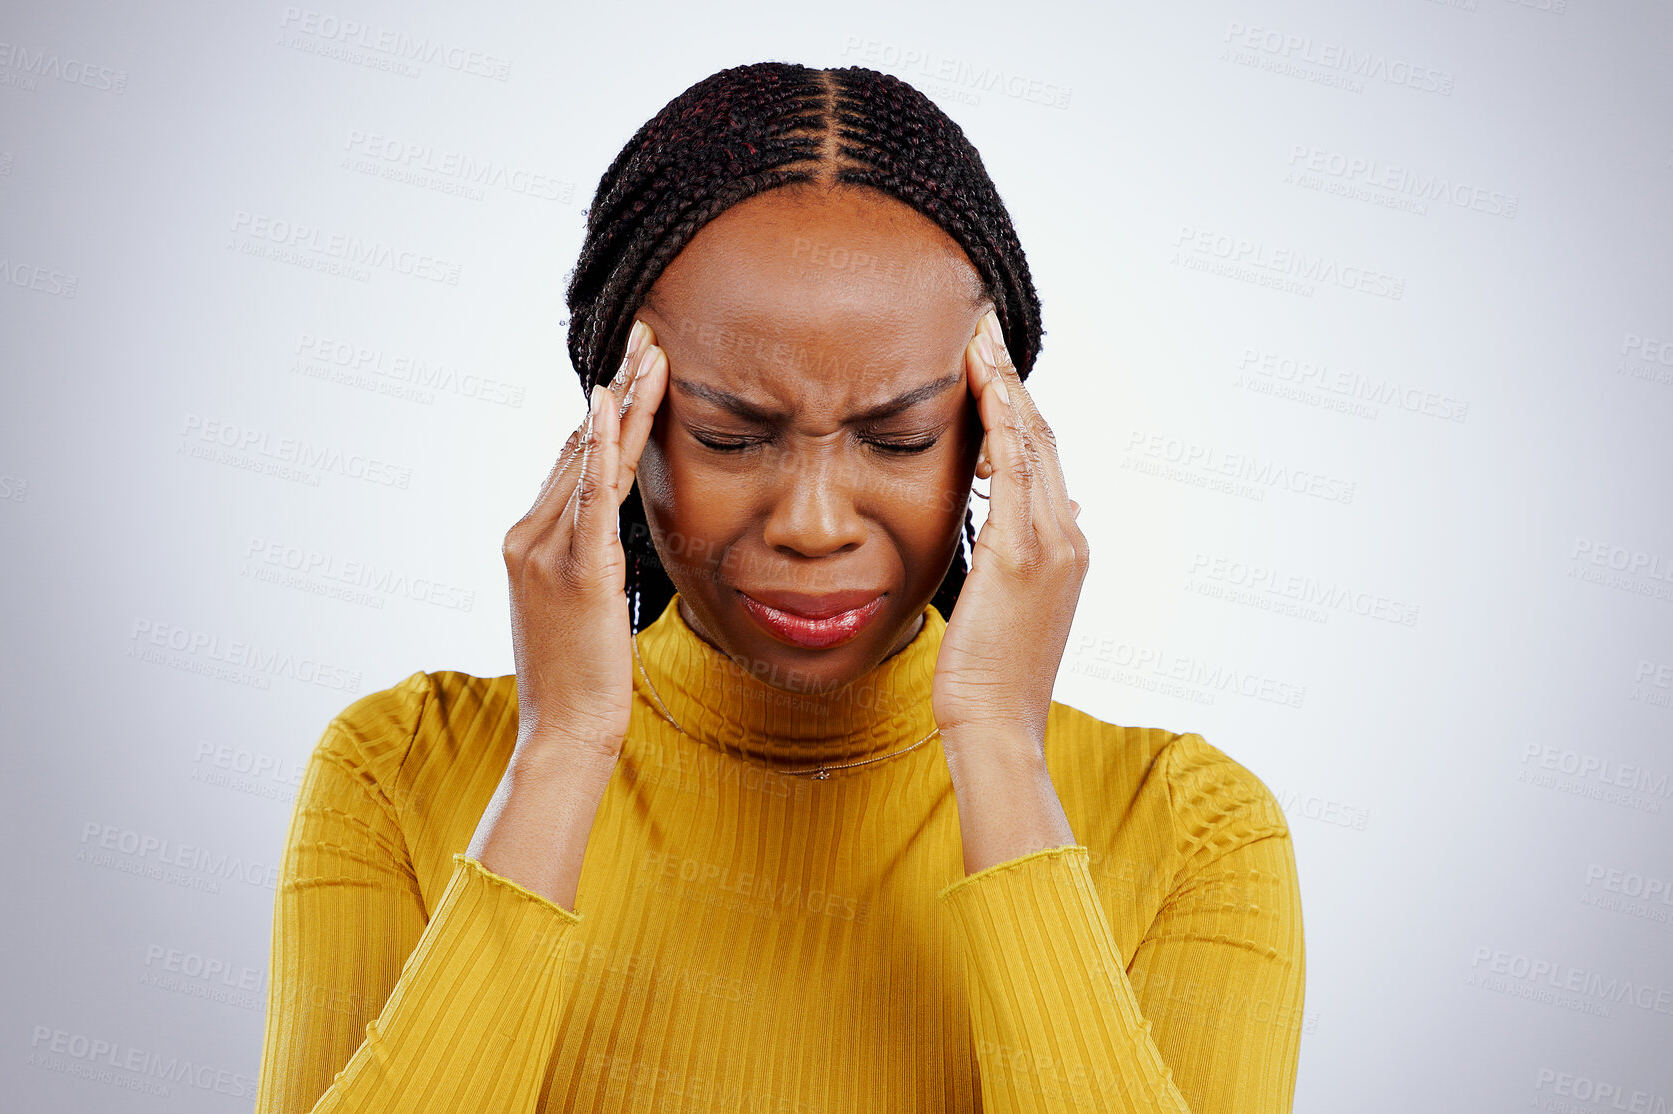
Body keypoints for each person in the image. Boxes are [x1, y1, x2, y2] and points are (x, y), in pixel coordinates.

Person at [255, 62, 1304, 1114]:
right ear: (623, 425)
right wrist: (565, 745)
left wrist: (998, 743)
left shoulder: (1194, 833)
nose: (812, 522)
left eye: (898, 437)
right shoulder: (396, 771)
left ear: (996, 432)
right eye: (730, 435)